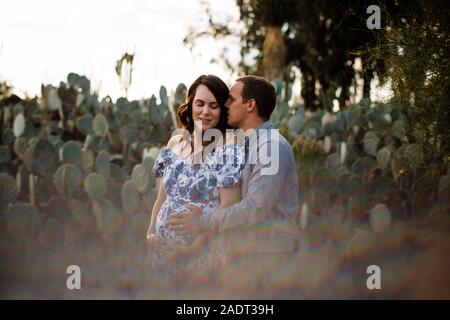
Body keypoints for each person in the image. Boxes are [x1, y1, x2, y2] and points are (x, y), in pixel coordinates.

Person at [166, 75, 306, 294]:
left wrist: (202, 221)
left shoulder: (271, 147)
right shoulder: (246, 144)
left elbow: (255, 209)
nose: (226, 104)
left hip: (269, 257)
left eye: (231, 100)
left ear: (250, 105)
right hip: (251, 255)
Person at [146, 75, 245, 282]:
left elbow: (229, 207)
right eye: (199, 104)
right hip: (162, 255)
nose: (205, 112)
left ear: (222, 110)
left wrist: (189, 250)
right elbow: (162, 199)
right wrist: (151, 233)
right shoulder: (175, 142)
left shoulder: (227, 146)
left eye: (213, 106)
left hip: (201, 257)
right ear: (190, 105)